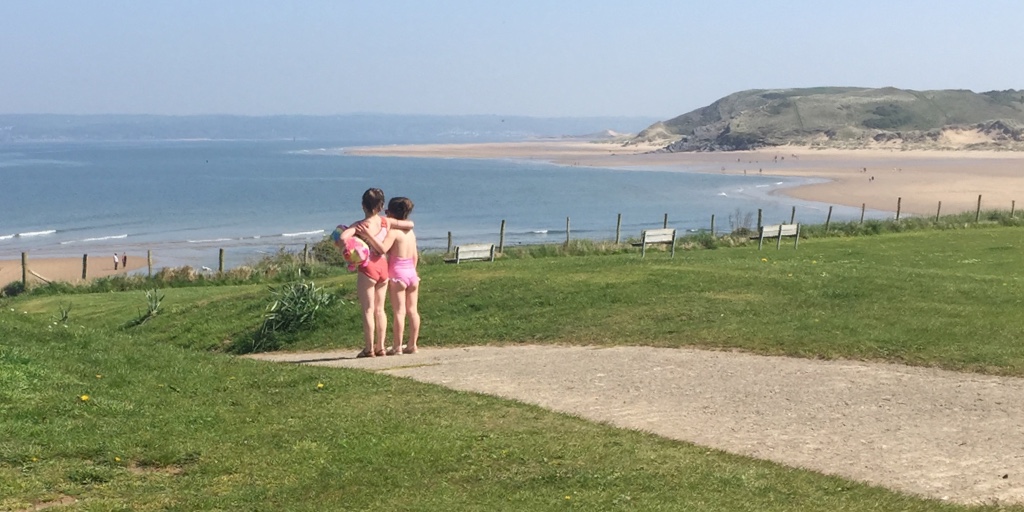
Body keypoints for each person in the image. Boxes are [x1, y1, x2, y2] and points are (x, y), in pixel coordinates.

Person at [359, 197, 420, 355]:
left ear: (391, 213)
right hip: (412, 273)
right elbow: (415, 256)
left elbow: (382, 249)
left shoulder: (393, 232)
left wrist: (369, 236)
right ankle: (412, 344)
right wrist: (413, 271)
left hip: (397, 274)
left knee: (399, 312)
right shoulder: (410, 233)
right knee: (413, 311)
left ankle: (397, 346)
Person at [339, 188, 390, 358]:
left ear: (363, 206)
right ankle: (381, 346)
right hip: (383, 265)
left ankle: (369, 348)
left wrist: (353, 233)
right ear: (382, 206)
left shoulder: (361, 225)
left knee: (368, 310)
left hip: (368, 267)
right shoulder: (385, 222)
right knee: (380, 309)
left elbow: (343, 238)